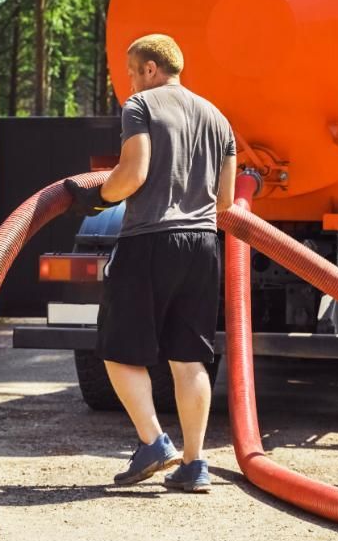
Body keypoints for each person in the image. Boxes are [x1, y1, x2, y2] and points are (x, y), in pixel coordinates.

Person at [65, 33, 237, 493]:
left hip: (150, 240)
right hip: (203, 245)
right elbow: (225, 202)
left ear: (149, 69)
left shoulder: (141, 107)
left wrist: (96, 197)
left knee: (117, 350)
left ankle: (154, 442)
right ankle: (195, 464)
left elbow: (132, 174)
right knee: (190, 358)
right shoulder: (219, 119)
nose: (130, 85)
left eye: (131, 74)